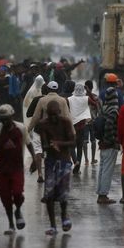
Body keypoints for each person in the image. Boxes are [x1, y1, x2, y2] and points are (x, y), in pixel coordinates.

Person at [0, 104, 36, 234]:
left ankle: (18, 210)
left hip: (17, 168)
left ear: (12, 116)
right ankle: (11, 224)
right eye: (2, 119)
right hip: (2, 169)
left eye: (7, 118)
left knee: (17, 193)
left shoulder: (21, 128)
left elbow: (29, 144)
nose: (4, 121)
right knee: (5, 198)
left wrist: (34, 159)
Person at [36, 101, 75, 235]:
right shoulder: (43, 124)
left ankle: (64, 217)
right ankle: (53, 225)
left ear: (59, 112)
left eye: (55, 114)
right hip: (51, 161)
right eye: (51, 115)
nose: (53, 118)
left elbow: (73, 141)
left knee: (63, 193)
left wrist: (59, 143)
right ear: (48, 114)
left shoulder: (66, 122)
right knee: (49, 194)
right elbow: (44, 145)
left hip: (64, 161)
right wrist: (50, 146)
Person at [96, 87, 120, 204]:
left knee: (102, 169)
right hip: (109, 145)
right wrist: (113, 141)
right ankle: (103, 195)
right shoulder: (114, 110)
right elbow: (109, 126)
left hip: (102, 144)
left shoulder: (104, 108)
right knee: (107, 171)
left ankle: (100, 193)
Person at [23, 75, 46, 182]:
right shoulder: (55, 99)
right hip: (51, 129)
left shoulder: (35, 97)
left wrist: (28, 128)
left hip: (37, 127)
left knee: (37, 149)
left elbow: (29, 113)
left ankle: (40, 173)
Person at [68, 83, 92, 174]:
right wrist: (88, 91)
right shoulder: (86, 98)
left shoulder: (69, 99)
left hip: (72, 126)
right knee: (79, 147)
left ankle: (75, 162)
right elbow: (95, 102)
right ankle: (77, 168)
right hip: (82, 126)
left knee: (71, 146)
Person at [85, 80, 101, 165]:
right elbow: (99, 109)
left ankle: (86, 160)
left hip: (84, 121)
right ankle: (93, 159)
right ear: (92, 87)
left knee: (85, 141)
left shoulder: (83, 97)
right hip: (93, 121)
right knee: (93, 140)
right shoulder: (96, 97)